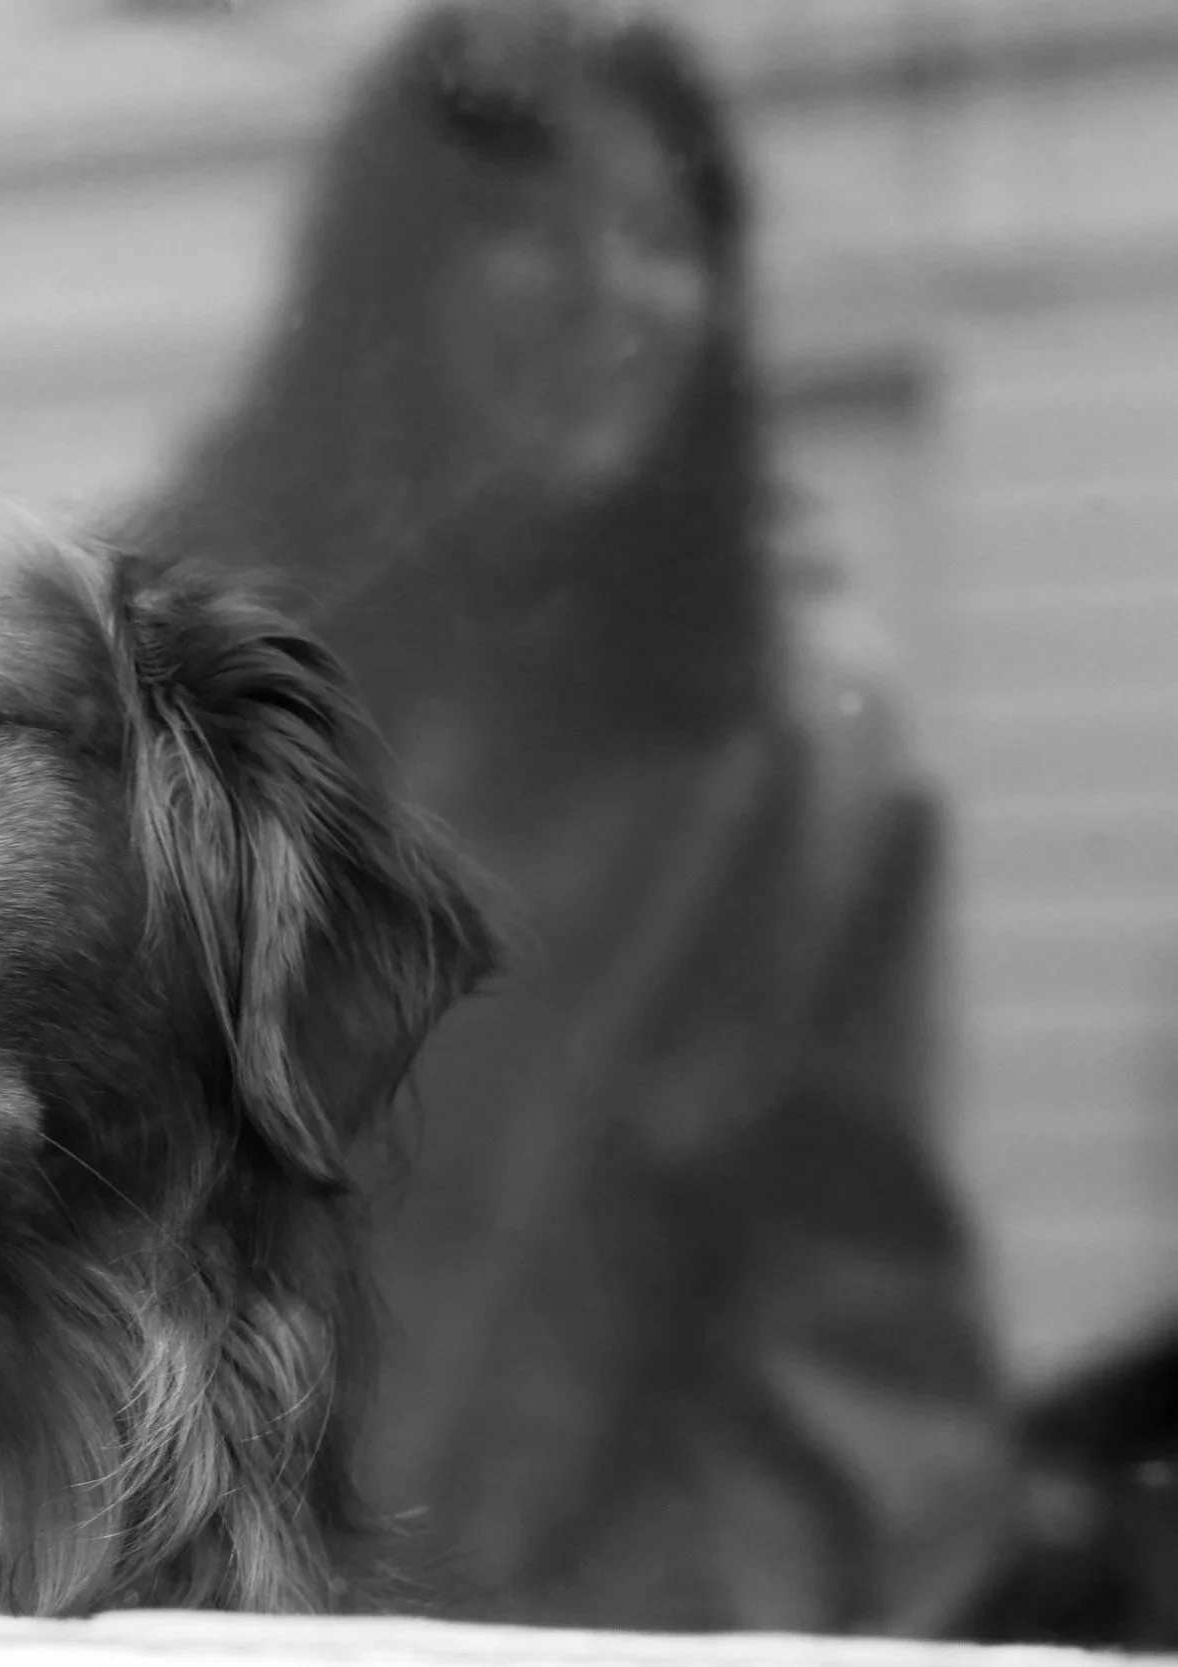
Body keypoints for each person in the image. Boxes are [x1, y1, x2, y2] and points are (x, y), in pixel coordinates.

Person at [125, 0, 1014, 1633]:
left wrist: (582, 1634)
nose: (611, 295)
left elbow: (858, 1374)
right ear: (395, 279)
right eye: (533, 227)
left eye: (663, 238)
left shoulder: (790, 753)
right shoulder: (175, 653)